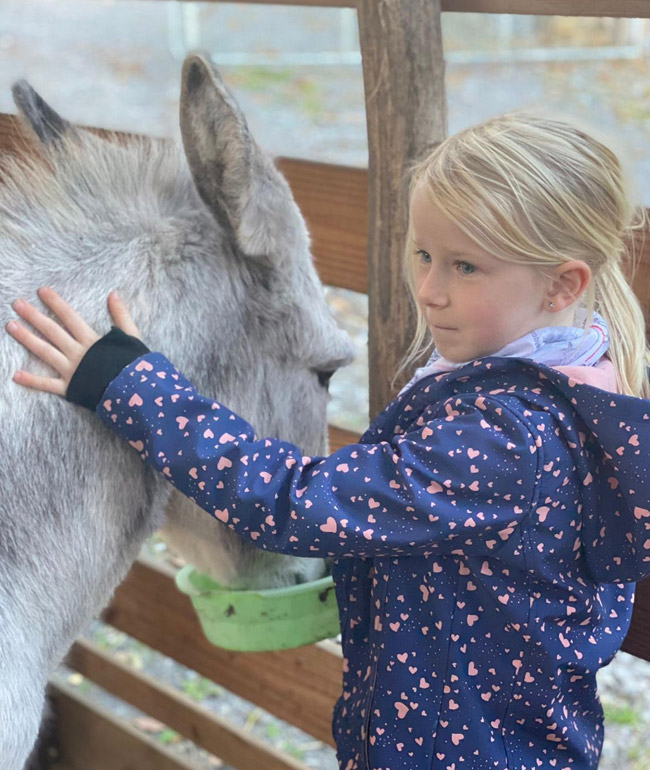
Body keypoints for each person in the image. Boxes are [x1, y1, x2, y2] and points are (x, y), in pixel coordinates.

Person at [7, 111, 650, 770]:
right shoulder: (544, 387)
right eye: (424, 255)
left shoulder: (510, 440)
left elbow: (294, 503)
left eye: (465, 267)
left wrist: (132, 387)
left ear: (562, 285)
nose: (429, 291)